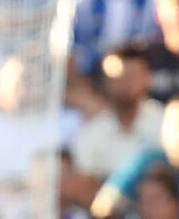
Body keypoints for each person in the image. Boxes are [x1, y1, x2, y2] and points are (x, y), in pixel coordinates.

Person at [69, 44, 163, 199]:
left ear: (147, 78)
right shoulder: (92, 132)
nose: (124, 84)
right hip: (106, 209)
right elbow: (84, 184)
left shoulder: (166, 124)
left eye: (131, 76)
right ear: (105, 81)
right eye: (117, 77)